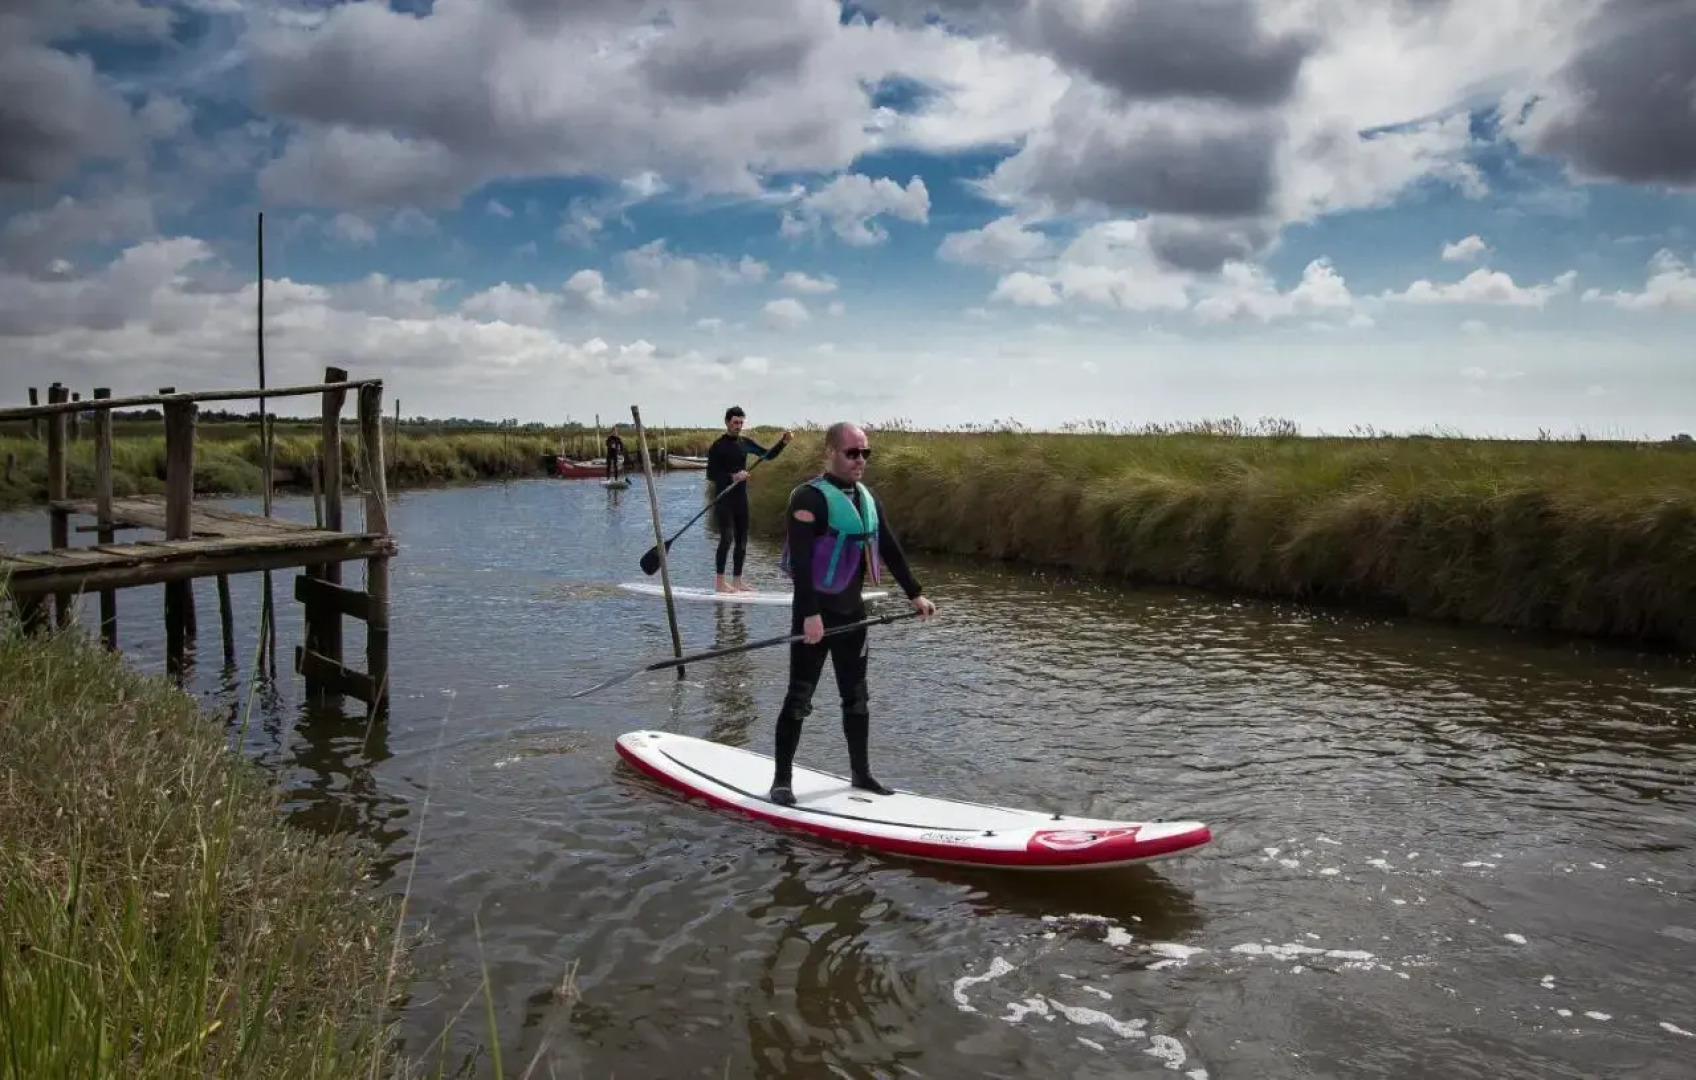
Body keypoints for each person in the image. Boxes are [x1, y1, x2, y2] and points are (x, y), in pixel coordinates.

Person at [767, 421, 936, 806]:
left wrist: (915, 595)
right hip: (814, 615)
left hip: (852, 615)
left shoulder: (866, 497)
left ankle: (860, 773)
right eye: (852, 453)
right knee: (799, 699)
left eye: (865, 453)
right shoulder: (807, 499)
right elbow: (804, 565)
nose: (860, 460)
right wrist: (810, 615)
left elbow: (889, 546)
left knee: (856, 699)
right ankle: (781, 781)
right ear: (830, 452)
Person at [705, 405, 792, 593]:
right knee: (727, 537)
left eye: (741, 423)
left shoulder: (745, 443)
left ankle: (737, 581)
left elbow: (768, 455)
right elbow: (711, 474)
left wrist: (783, 443)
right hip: (723, 496)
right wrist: (733, 476)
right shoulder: (718, 446)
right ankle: (720, 583)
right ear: (727, 422)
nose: (738, 426)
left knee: (742, 539)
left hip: (740, 497)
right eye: (735, 422)